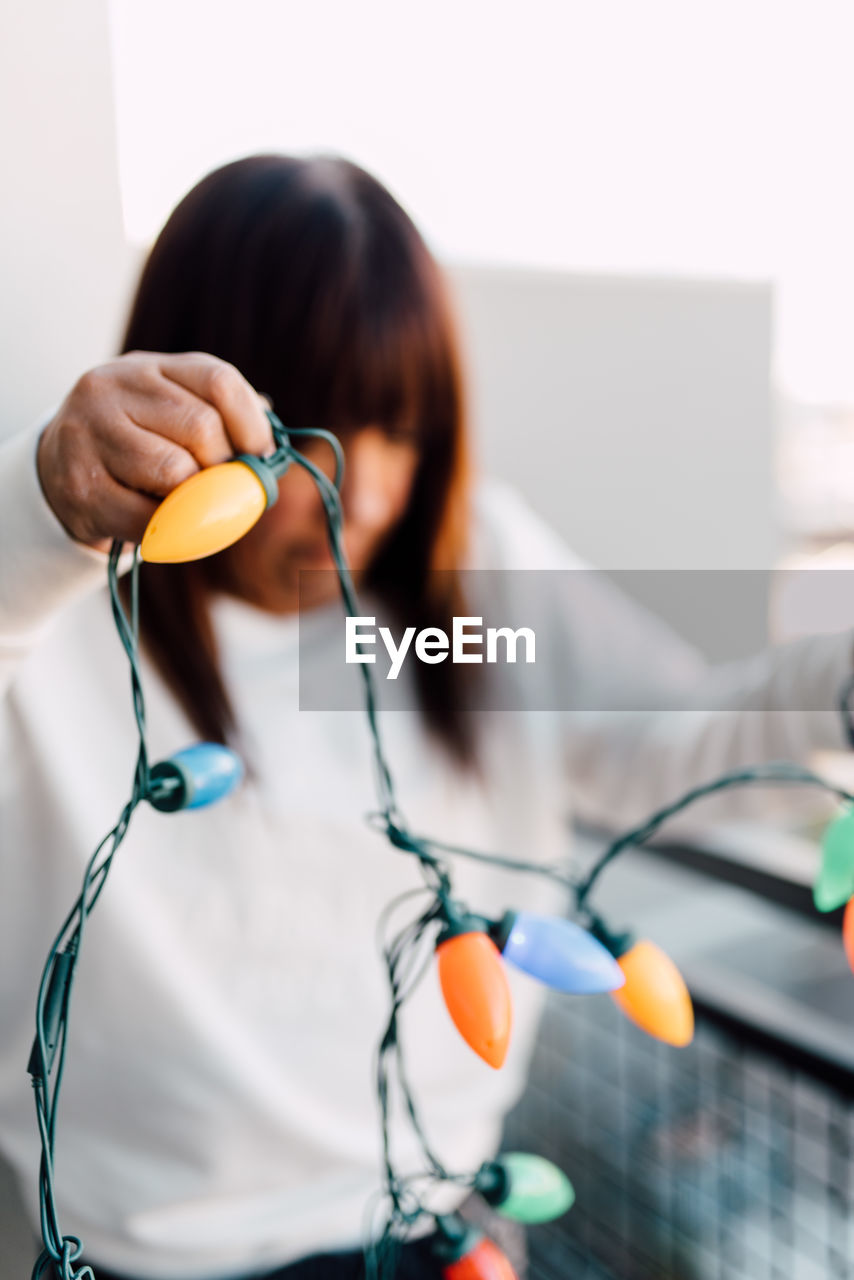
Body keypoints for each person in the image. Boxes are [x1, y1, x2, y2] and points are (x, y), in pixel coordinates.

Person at [1, 154, 852, 1280]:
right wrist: (37, 507)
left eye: (401, 427)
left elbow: (667, 745)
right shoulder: (53, 610)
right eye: (307, 430)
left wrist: (828, 684)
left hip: (447, 1233)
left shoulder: (479, 573)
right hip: (145, 1259)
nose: (370, 490)